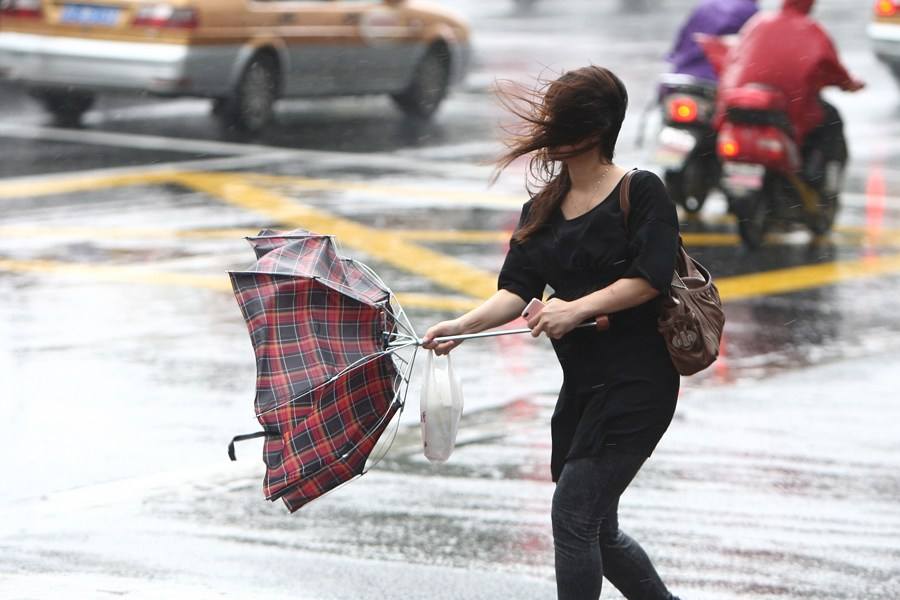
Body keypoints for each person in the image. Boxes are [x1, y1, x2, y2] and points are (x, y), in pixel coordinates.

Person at [422, 67, 683, 600]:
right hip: (583, 390)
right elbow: (515, 291)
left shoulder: (642, 192)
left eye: (559, 121)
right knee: (597, 530)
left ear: (593, 130)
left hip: (639, 384)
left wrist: (573, 310)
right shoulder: (540, 209)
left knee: (573, 514)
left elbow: (649, 278)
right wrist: (460, 326)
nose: (544, 131)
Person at [714, 0, 864, 180]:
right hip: (787, 110)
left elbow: (733, 58)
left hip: (742, 102)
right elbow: (834, 70)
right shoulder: (813, 31)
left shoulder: (758, 22)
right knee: (831, 121)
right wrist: (850, 83)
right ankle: (819, 184)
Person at [667, 0, 758, 83]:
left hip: (683, 71)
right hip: (715, 78)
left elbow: (683, 38)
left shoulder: (706, 4)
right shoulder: (749, 11)